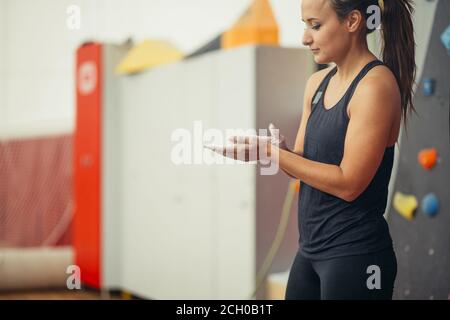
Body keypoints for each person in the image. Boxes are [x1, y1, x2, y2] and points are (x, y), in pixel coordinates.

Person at [206, 0, 416, 299]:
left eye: (315, 25)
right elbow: (301, 167)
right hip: (310, 251)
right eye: (305, 25)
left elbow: (349, 184)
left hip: (356, 256)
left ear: (353, 21)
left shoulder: (375, 86)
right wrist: (271, 150)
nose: (305, 37)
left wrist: (273, 153)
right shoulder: (316, 83)